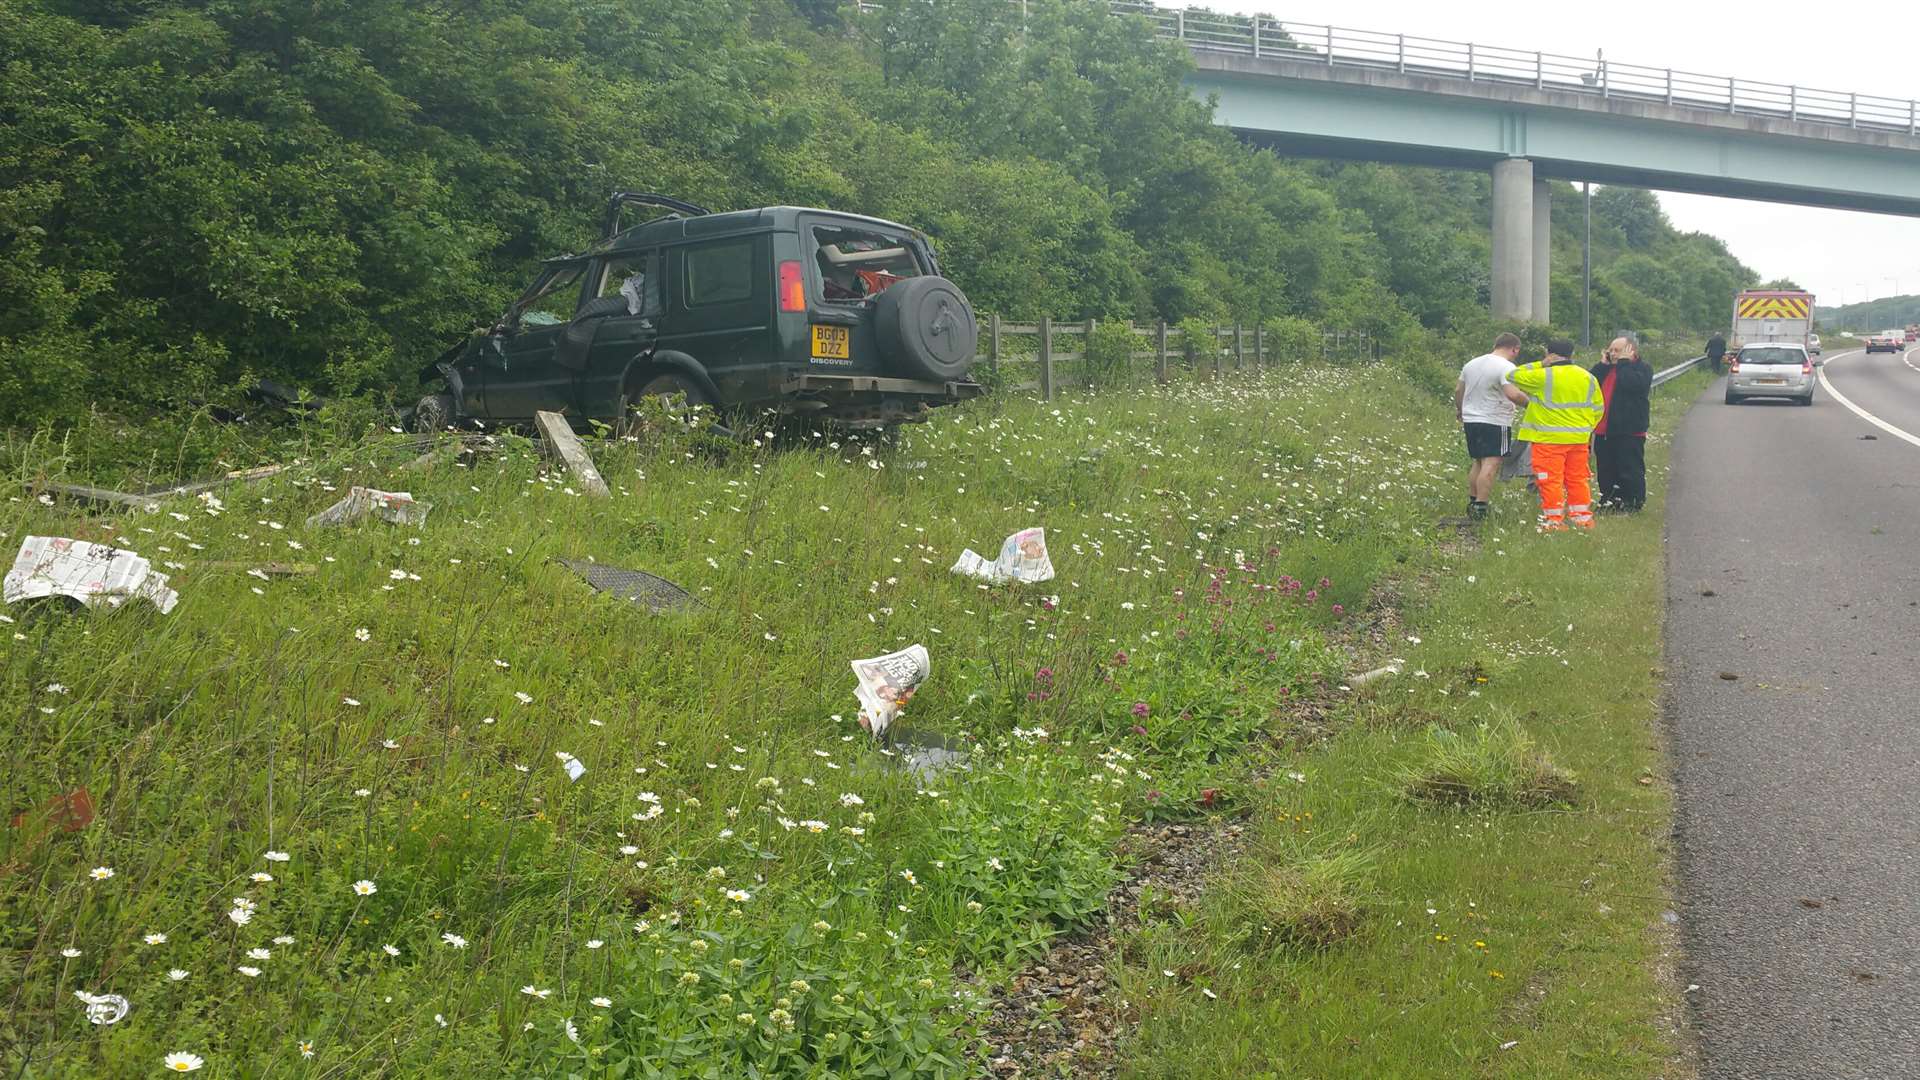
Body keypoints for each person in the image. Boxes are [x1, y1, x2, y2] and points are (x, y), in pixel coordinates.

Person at [1503, 338, 1605, 532]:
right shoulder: (1587, 377)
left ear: (1549, 354)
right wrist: (1585, 428)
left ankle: (1554, 521)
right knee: (1577, 479)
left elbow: (1512, 375)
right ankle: (1582, 519)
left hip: (1548, 440)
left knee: (1550, 480)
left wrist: (1540, 364)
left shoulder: (1543, 376)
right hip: (1578, 439)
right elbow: (1598, 408)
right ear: (1571, 354)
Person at [1455, 332, 1523, 519]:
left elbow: (1458, 390)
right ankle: (1481, 507)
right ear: (1514, 349)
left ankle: (1472, 501)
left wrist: (1461, 410)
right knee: (1491, 463)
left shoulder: (1471, 364)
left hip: (1471, 419)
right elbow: (1513, 394)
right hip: (1495, 420)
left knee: (1478, 461)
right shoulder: (1507, 367)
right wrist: (1532, 405)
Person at [1590, 336, 1653, 512]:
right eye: (1610, 350)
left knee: (1629, 469)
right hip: (1604, 429)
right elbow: (1589, 382)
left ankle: (1632, 502)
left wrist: (1624, 363)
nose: (1612, 353)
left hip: (1629, 430)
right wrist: (1602, 365)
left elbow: (1633, 384)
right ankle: (1609, 500)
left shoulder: (1642, 368)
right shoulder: (1607, 369)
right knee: (1606, 469)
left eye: (1617, 350)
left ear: (1631, 350)